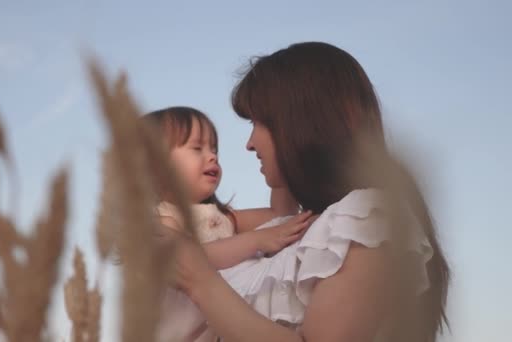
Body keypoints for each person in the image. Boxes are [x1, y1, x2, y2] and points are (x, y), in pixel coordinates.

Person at [167, 42, 450, 342]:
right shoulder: (288, 231)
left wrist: (202, 283)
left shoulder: (366, 220)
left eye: (259, 122)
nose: (249, 143)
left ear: (300, 121)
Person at [144, 106, 315, 341]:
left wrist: (281, 160)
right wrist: (255, 240)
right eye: (197, 148)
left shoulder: (222, 217)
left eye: (213, 148)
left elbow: (280, 215)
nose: (212, 156)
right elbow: (193, 260)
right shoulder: (159, 221)